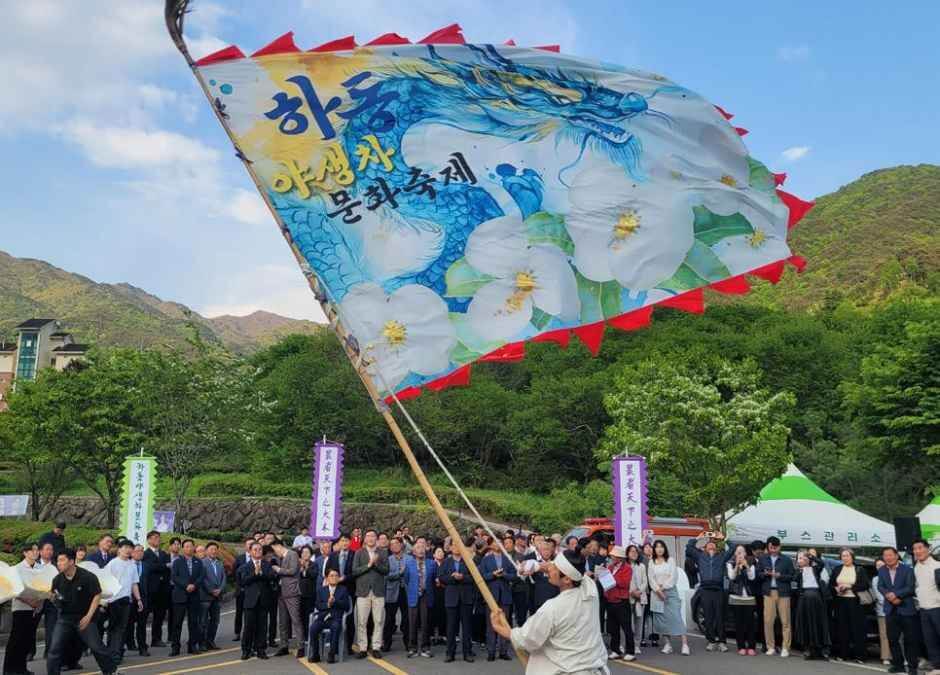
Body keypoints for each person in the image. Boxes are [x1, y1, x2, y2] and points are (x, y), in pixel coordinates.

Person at [489, 547, 609, 674]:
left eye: (554, 568)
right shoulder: (590, 589)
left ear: (567, 579)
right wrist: (536, 566)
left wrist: (498, 626)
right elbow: (575, 573)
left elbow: (526, 639)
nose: (550, 569)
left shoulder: (553, 608)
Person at [46, 548, 118, 675]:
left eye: (62, 560)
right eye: (57, 561)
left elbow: (97, 595)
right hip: (65, 618)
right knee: (54, 648)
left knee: (97, 647)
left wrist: (89, 616)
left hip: (85, 617)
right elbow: (55, 596)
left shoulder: (87, 577)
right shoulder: (57, 580)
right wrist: (54, 599)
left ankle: (111, 671)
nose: (59, 563)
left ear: (71, 561)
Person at [877, 546, 918, 674]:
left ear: (896, 556)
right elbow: (880, 586)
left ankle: (912, 667)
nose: (888, 558)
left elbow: (910, 587)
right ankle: (898, 665)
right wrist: (888, 595)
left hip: (906, 608)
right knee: (892, 639)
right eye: (885, 555)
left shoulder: (908, 569)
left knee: (910, 640)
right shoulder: (882, 570)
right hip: (890, 609)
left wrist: (896, 595)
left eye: (890, 555)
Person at [686, 531, 730, 652]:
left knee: (720, 616)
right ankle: (711, 641)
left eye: (713, 544)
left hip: (718, 590)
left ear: (717, 548)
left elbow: (733, 549)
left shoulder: (721, 557)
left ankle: (722, 641)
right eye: (708, 544)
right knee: (708, 616)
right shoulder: (700, 556)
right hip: (705, 590)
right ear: (704, 548)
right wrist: (698, 538)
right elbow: (689, 549)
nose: (711, 545)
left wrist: (724, 538)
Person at [4, 542, 44, 675]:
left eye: (37, 550)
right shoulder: (17, 569)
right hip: (21, 608)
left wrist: (39, 599)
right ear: (25, 553)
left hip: (36, 608)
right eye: (32, 550)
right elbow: (15, 590)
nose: (35, 552)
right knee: (16, 639)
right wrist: (29, 601)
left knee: (27, 639)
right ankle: (9, 669)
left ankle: (21, 668)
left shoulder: (40, 568)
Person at [104, 538, 144, 663]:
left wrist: (138, 599)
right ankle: (111, 654)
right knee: (113, 629)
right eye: (125, 547)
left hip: (126, 600)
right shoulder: (112, 563)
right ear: (119, 549)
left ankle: (118, 653)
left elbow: (134, 584)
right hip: (113, 600)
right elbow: (104, 582)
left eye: (130, 548)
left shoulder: (132, 564)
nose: (128, 550)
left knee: (122, 629)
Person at [648, 539, 690, 655]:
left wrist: (663, 588)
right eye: (657, 547)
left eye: (661, 546)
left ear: (665, 548)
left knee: (676, 617)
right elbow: (651, 578)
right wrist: (657, 590)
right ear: (654, 549)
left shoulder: (670, 560)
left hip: (670, 592)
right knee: (661, 620)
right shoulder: (651, 562)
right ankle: (667, 644)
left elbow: (673, 576)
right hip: (657, 594)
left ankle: (685, 644)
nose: (659, 549)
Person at [351, 529, 388, 658]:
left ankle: (376, 647)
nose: (371, 538)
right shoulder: (359, 553)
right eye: (368, 536)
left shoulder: (382, 553)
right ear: (365, 539)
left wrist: (375, 564)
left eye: (373, 536)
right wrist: (369, 564)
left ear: (376, 539)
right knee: (362, 621)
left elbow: (386, 570)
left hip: (378, 591)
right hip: (363, 591)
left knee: (378, 620)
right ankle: (362, 648)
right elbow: (354, 571)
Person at [829, 547, 870, 663]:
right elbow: (831, 585)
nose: (845, 558)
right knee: (842, 629)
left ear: (852, 557)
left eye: (847, 556)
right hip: (841, 602)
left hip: (855, 602)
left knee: (857, 629)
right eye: (843, 556)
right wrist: (837, 588)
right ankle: (843, 654)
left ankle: (860, 656)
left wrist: (850, 587)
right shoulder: (837, 569)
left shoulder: (859, 569)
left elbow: (865, 585)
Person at [237, 541, 276, 660]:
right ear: (250, 551)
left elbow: (271, 576)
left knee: (262, 627)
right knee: (248, 627)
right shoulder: (245, 567)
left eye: (260, 549)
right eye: (255, 550)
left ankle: (261, 650)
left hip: (264, 600)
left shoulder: (267, 565)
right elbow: (243, 581)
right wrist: (255, 574)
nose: (258, 551)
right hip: (250, 601)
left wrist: (261, 574)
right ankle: (246, 650)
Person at [481, 537, 518, 662]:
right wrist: (493, 575)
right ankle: (491, 651)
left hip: (505, 595)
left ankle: (503, 651)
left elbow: (514, 576)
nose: (498, 544)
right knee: (491, 624)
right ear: (490, 545)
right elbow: (482, 576)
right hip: (491, 595)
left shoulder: (508, 559)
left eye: (499, 542)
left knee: (505, 623)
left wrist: (504, 575)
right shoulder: (486, 560)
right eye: (495, 542)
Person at [757, 535, 794, 657]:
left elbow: (792, 577)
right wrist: (765, 574)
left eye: (775, 547)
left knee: (785, 621)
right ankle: (770, 646)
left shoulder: (786, 560)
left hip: (783, 592)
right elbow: (758, 575)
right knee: (768, 621)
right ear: (768, 547)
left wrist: (780, 576)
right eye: (771, 547)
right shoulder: (763, 559)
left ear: (779, 547)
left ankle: (785, 647)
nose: (773, 550)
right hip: (768, 592)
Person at [440, 542, 475, 663]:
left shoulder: (468, 561)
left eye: (458, 545)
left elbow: (474, 577)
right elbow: (441, 577)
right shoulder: (446, 562)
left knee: (467, 627)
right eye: (454, 545)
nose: (456, 547)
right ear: (450, 548)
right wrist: (453, 577)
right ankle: (450, 653)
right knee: (451, 627)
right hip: (451, 598)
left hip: (466, 597)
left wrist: (463, 577)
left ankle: (467, 652)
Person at [307, 568, 350, 663]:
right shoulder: (321, 590)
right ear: (327, 578)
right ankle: (315, 654)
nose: (334, 577)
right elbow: (318, 605)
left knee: (335, 627)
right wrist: (328, 604)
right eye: (332, 575)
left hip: (336, 618)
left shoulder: (343, 589)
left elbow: (347, 606)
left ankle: (332, 654)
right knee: (313, 628)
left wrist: (335, 602)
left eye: (336, 576)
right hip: (323, 618)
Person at [170, 539, 204, 656]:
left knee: (193, 622)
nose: (189, 548)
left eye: (191, 546)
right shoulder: (177, 562)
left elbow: (201, 576)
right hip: (180, 595)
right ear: (183, 549)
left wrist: (194, 585)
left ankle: (192, 645)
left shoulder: (198, 562)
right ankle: (175, 647)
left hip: (194, 595)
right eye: (186, 546)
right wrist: (186, 586)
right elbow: (174, 577)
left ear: (194, 548)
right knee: (177, 623)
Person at [794, 550, 829, 660]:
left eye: (803, 557)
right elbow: (794, 579)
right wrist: (799, 569)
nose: (802, 559)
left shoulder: (815, 568)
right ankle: (808, 649)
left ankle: (821, 650)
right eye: (799, 558)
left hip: (816, 597)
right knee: (806, 623)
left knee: (818, 623)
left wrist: (810, 556)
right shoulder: (798, 571)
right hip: (804, 597)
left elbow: (822, 564)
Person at [912, 539, 940, 675]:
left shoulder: (937, 565)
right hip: (924, 609)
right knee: (930, 640)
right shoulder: (916, 567)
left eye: (920, 548)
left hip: (937, 608)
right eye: (915, 549)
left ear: (928, 549)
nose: (917, 551)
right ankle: (937, 667)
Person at [604, 545, 637, 662]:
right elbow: (606, 582)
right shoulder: (610, 567)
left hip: (622, 601)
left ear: (619, 557)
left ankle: (630, 651)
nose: (612, 557)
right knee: (613, 628)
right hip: (610, 599)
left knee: (626, 627)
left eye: (614, 555)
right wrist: (603, 577)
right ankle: (615, 650)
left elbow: (625, 583)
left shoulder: (627, 568)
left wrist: (610, 578)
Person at [271, 538, 302, 657]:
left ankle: (301, 646)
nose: (275, 553)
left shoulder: (292, 554)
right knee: (282, 621)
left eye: (275, 550)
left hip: (292, 592)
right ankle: (284, 645)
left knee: (295, 620)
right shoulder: (279, 558)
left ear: (278, 546)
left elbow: (293, 570)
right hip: (281, 592)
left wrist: (278, 569)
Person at [406, 537, 437, 658]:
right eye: (418, 548)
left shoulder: (432, 563)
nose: (420, 550)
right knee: (412, 622)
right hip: (413, 595)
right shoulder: (409, 564)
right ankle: (412, 648)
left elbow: (433, 579)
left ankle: (425, 647)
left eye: (422, 548)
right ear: (413, 552)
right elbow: (407, 579)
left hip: (426, 595)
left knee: (426, 622)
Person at [726, 544, 758, 656]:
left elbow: (752, 577)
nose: (740, 554)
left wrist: (747, 566)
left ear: (745, 553)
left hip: (749, 597)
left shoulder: (752, 562)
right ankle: (741, 646)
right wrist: (737, 566)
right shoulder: (730, 563)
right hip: (736, 597)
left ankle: (752, 647)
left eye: (742, 552)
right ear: (735, 554)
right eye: (738, 552)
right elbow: (731, 577)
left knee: (750, 623)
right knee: (739, 624)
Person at [326, 533, 355, 655]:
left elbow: (356, 572)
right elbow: (327, 571)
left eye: (347, 540)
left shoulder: (354, 555)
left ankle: (349, 646)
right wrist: (334, 579)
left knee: (349, 619)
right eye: (342, 540)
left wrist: (345, 578)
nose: (344, 543)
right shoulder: (333, 555)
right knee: (335, 617)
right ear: (339, 542)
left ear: (350, 542)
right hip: (335, 590)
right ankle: (335, 646)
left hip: (350, 589)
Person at [382, 537, 411, 653]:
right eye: (392, 544)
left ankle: (408, 643)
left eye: (396, 543)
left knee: (407, 619)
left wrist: (405, 573)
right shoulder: (387, 560)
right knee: (389, 619)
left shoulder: (409, 559)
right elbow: (386, 576)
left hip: (406, 591)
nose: (394, 546)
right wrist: (399, 573)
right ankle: (387, 644)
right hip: (391, 592)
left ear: (401, 545)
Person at [143, 530, 171, 648]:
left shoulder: (164, 554)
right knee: (143, 618)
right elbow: (150, 567)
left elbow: (168, 568)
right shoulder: (145, 554)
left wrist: (163, 567)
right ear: (149, 540)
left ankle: (156, 639)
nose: (157, 540)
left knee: (159, 616)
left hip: (163, 590)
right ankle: (141, 641)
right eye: (154, 538)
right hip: (150, 590)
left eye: (158, 538)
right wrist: (164, 566)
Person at [125, 544, 150, 657]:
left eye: (142, 551)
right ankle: (127, 644)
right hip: (129, 598)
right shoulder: (127, 565)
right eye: (137, 551)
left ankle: (142, 647)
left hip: (143, 599)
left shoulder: (146, 565)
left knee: (142, 624)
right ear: (132, 552)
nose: (140, 553)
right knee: (127, 624)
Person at [200, 542, 225, 652]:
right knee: (203, 621)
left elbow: (224, 578)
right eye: (211, 549)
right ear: (206, 551)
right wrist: (211, 590)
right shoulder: (202, 563)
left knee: (215, 620)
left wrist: (220, 589)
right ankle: (202, 643)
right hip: (205, 596)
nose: (213, 551)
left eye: (215, 549)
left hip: (217, 596)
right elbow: (202, 579)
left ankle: (211, 641)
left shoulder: (220, 563)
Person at [626, 544, 647, 657]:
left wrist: (639, 591)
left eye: (636, 551)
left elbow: (645, 582)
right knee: (627, 622)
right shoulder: (624, 566)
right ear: (627, 553)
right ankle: (625, 644)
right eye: (631, 551)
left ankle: (637, 645)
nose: (634, 553)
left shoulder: (642, 566)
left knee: (639, 622)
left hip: (640, 597)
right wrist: (631, 592)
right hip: (628, 597)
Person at [232, 538, 254, 643]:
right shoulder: (239, 558)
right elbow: (234, 573)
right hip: (241, 591)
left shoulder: (257, 558)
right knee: (239, 612)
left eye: (252, 544)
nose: (250, 546)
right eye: (248, 544)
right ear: (245, 546)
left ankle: (249, 632)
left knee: (250, 613)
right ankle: (237, 633)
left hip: (252, 591)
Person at [510, 534, 531, 628]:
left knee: (521, 612)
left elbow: (524, 573)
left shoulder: (521, 556)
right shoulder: (503, 556)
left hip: (520, 588)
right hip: (507, 588)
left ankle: (521, 629)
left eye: (510, 542)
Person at [430, 546, 448, 645]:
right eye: (438, 551)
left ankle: (443, 635)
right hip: (433, 591)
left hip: (444, 590)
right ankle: (432, 636)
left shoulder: (447, 564)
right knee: (433, 614)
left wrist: (442, 582)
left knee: (444, 613)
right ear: (433, 554)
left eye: (441, 551)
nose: (440, 553)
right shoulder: (431, 564)